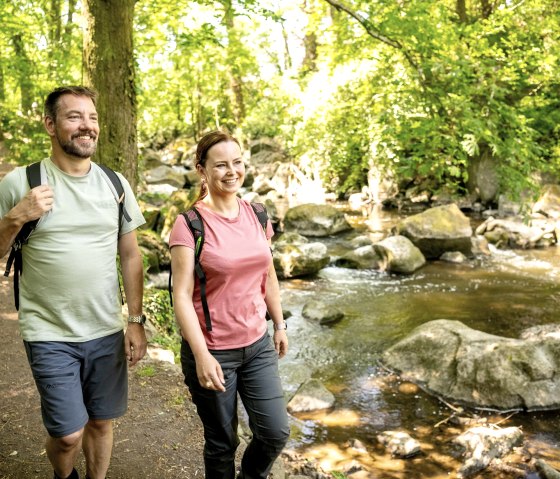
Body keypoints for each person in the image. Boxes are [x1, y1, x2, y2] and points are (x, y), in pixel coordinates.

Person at [0, 86, 147, 479]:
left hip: (104, 329)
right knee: (67, 435)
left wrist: (136, 320)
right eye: (74, 117)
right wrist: (17, 217)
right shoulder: (21, 182)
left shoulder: (115, 184)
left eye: (92, 117)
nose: (87, 126)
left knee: (101, 423)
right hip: (48, 331)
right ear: (50, 124)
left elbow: (131, 255)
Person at [169, 130, 290, 479]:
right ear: (201, 170)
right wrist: (202, 355)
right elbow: (181, 295)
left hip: (257, 346)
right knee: (222, 442)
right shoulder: (189, 224)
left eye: (237, 162)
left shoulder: (257, 214)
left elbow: (268, 274)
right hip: (213, 351)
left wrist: (279, 324)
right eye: (220, 165)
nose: (231, 171)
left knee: (274, 432)